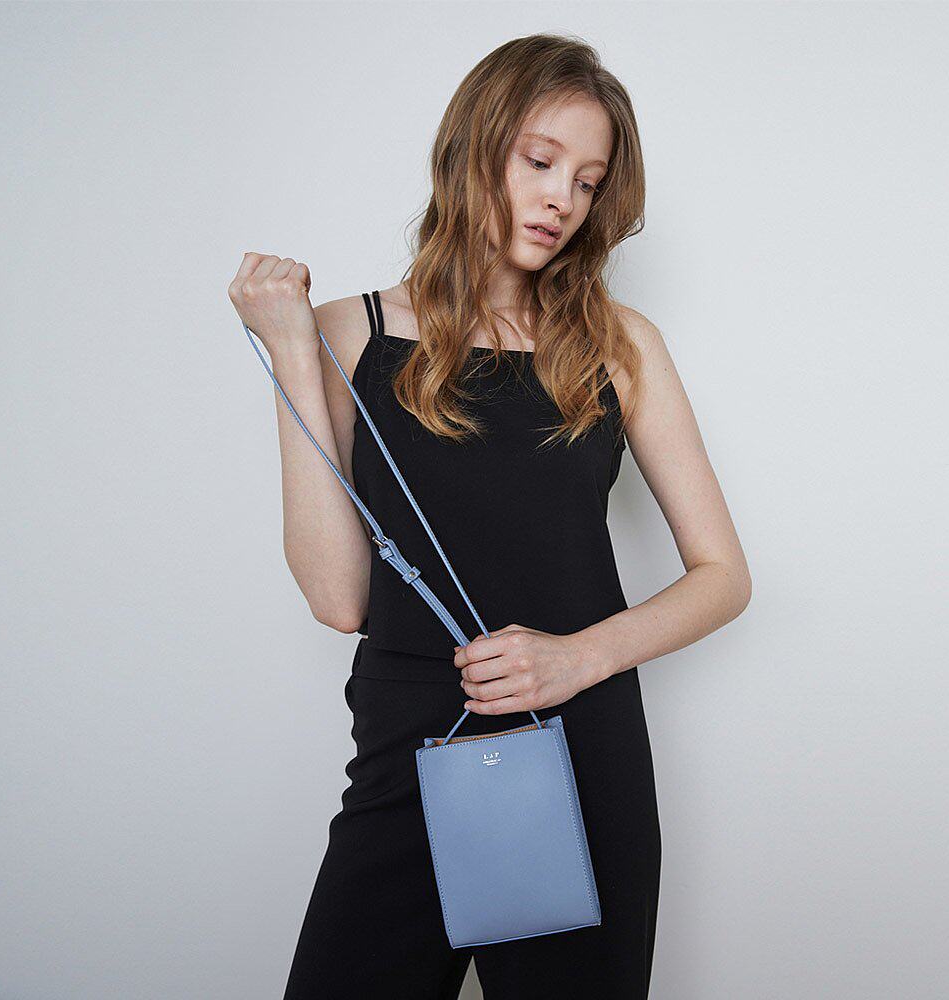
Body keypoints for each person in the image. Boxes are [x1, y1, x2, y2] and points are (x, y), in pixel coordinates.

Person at [228, 32, 751, 1000]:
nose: (562, 200)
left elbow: (724, 576)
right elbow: (340, 598)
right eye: (539, 161)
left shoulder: (620, 344)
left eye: (588, 182)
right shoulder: (346, 333)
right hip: (410, 752)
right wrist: (292, 354)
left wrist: (578, 657)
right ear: (471, 150)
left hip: (580, 749)